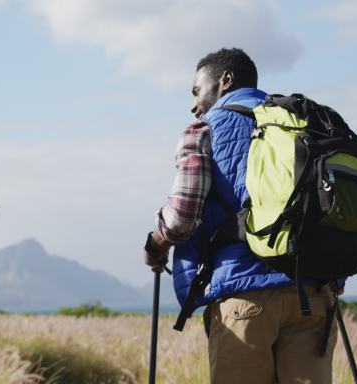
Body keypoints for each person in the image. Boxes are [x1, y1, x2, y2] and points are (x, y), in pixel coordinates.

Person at [142, 48, 338, 383]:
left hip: (244, 295)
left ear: (225, 81)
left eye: (196, 91)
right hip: (315, 296)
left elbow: (181, 216)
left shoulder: (204, 129)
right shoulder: (303, 122)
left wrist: (155, 244)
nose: (193, 104)